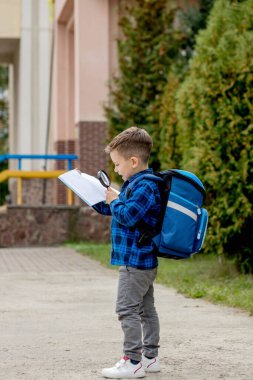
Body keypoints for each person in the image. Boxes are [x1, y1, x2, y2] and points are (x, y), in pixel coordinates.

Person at [93, 126, 161, 379]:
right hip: (140, 259)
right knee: (145, 309)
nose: (116, 170)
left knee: (126, 309)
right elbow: (117, 209)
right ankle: (150, 358)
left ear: (133, 161)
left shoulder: (145, 187)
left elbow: (128, 214)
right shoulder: (138, 185)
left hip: (136, 261)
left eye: (118, 165)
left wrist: (115, 200)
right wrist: (92, 193)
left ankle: (133, 361)